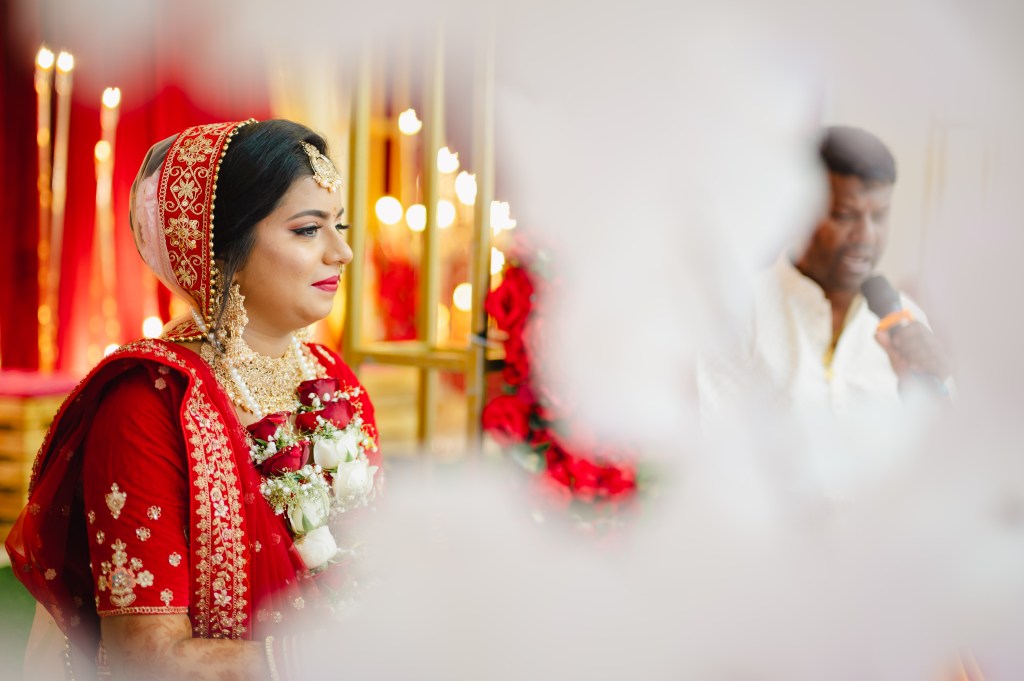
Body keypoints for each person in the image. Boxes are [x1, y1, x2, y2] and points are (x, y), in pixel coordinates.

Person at [5, 119, 381, 680]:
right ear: (219, 249)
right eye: (308, 230)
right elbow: (146, 658)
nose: (343, 252)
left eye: (339, 225)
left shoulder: (333, 379)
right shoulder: (147, 401)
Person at [698, 125, 951, 419]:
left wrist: (926, 391)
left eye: (879, 216)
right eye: (844, 215)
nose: (866, 235)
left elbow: (954, 442)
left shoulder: (909, 322)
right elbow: (716, 437)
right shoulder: (738, 310)